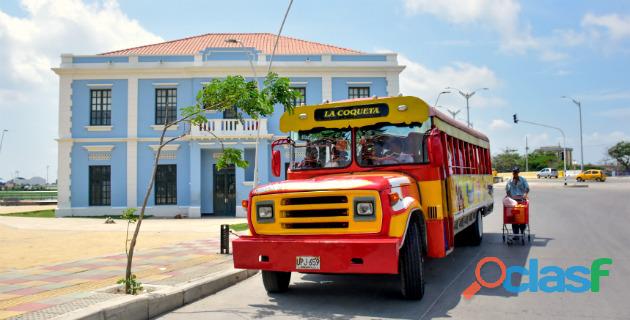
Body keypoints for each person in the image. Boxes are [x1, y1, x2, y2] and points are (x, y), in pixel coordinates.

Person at [506, 166, 529, 238]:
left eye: (516, 172)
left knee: (521, 217)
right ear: (512, 173)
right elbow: (507, 191)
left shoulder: (523, 180)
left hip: (521, 200)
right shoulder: (509, 181)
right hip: (513, 201)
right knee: (514, 217)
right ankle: (516, 234)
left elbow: (527, 188)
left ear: (518, 173)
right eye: (513, 172)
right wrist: (510, 198)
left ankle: (522, 230)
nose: (514, 174)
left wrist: (525, 194)